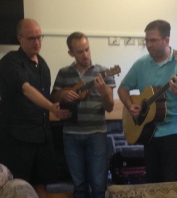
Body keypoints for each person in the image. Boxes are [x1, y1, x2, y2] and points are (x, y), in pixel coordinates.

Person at [117, 19, 177, 183]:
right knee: (153, 185)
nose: (148, 45)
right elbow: (122, 88)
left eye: (153, 40)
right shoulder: (141, 64)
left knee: (174, 185)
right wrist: (129, 105)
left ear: (166, 40)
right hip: (149, 133)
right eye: (146, 40)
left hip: (176, 131)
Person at [0, 18, 71, 198]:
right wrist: (52, 108)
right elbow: (26, 89)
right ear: (19, 38)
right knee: (18, 188)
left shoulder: (43, 64)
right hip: (18, 138)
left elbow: (46, 95)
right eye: (31, 38)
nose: (37, 42)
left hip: (43, 136)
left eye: (39, 37)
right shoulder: (10, 61)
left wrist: (62, 99)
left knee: (42, 186)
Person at [50, 32, 115, 198]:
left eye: (87, 49)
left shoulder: (104, 72)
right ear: (71, 53)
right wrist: (63, 95)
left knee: (99, 186)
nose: (85, 54)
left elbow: (109, 107)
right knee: (79, 187)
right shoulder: (64, 73)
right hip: (71, 134)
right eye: (80, 52)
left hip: (97, 134)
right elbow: (54, 97)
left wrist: (104, 93)